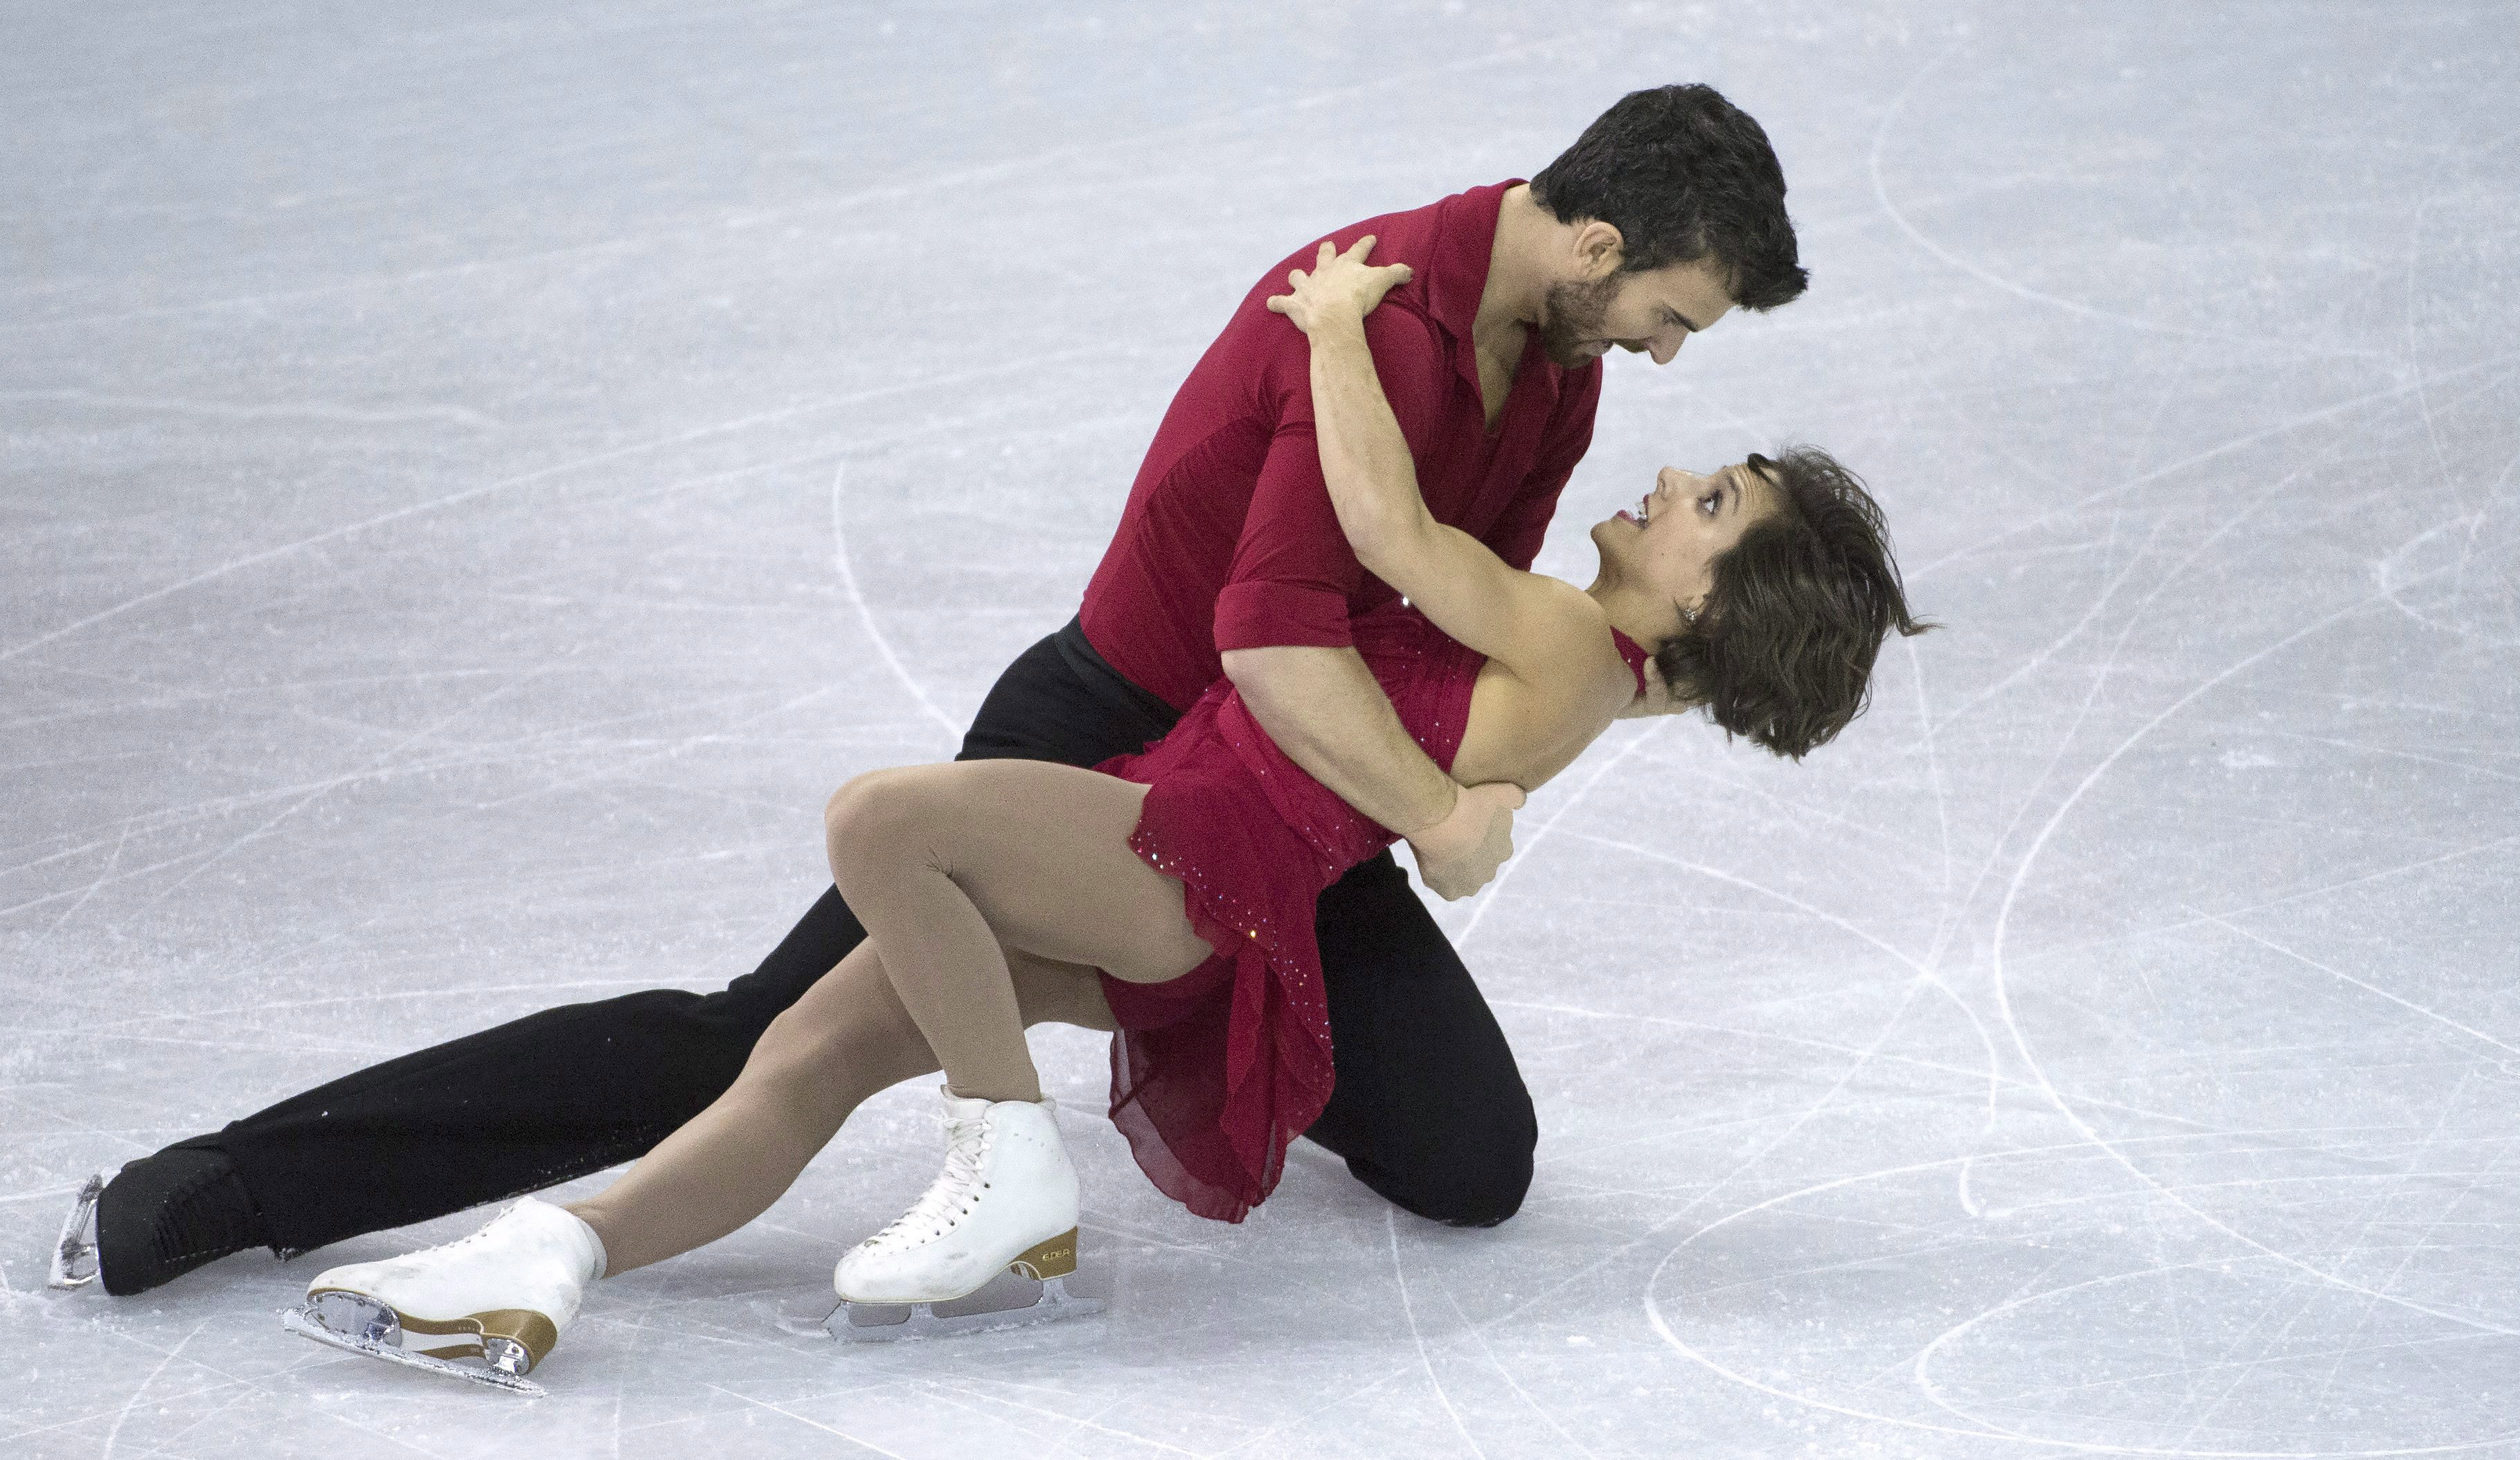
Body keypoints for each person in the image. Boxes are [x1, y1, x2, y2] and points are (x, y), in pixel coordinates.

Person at [63, 83, 1810, 1299]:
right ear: (1593, 244)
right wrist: (1441, 813)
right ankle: (242, 1181)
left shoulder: (1558, 390)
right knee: (750, 1040)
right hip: (1119, 734)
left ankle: (1135, 990)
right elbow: (1280, 644)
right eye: (1671, 313)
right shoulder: (1350, 314)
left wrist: (1643, 689)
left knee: (1469, 1159)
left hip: (1281, 806)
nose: (1664, 359)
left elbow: (1465, 638)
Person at [285, 238, 1929, 1383]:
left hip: (1185, 867)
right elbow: (1465, 662)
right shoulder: (1597, 672)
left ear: (1707, 608)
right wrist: (1469, 810)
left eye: (1708, 503)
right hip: (1182, 852)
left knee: (883, 822)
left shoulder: (1571, 637)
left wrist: (1337, 325)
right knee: (809, 1049)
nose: (1671, 472)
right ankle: (545, 1260)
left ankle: (1007, 1169)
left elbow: (1381, 524)